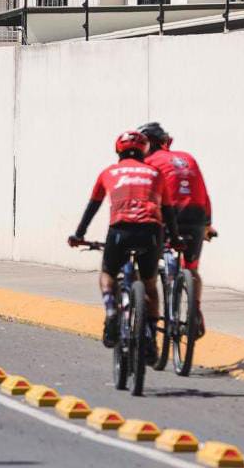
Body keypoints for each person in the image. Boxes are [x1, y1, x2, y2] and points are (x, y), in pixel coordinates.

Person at [68, 130, 175, 356]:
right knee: (150, 287)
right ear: (145, 150)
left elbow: (93, 207)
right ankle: (149, 337)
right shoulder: (155, 173)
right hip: (150, 232)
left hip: (120, 231)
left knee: (107, 275)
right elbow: (168, 210)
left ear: (118, 150)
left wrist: (78, 234)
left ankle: (111, 312)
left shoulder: (109, 172)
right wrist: (175, 238)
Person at [140, 122, 215, 337]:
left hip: (168, 216)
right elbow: (204, 193)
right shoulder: (188, 158)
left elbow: (146, 193)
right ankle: (195, 312)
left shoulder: (150, 162)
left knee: (149, 265)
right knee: (191, 269)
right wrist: (208, 224)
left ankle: (150, 312)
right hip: (196, 216)